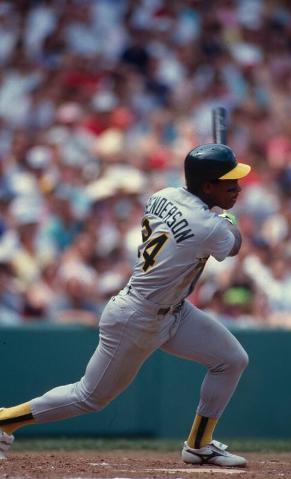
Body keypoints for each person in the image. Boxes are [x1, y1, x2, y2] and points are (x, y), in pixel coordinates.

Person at [0, 143, 251, 467]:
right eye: (229, 182)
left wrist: (216, 208)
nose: (238, 187)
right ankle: (5, 419)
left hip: (174, 310)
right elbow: (234, 245)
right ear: (206, 186)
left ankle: (199, 444)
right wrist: (227, 215)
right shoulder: (209, 226)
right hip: (138, 317)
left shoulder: (165, 194)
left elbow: (199, 220)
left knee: (231, 360)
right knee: (88, 397)